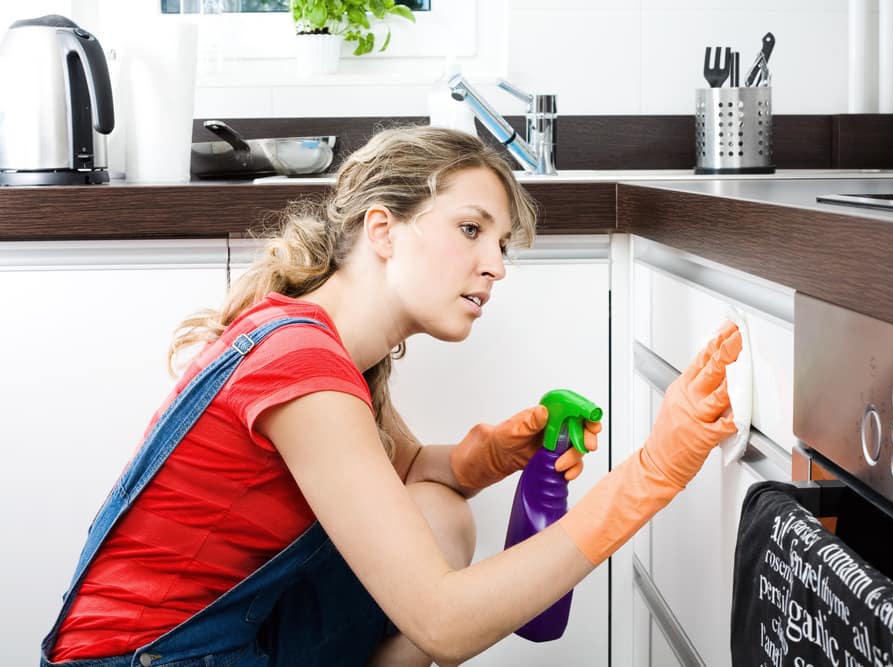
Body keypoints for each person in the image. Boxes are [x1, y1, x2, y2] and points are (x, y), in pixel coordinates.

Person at [41, 126, 741, 667]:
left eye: (501, 245)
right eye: (471, 229)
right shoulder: (301, 363)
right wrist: (652, 474)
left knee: (441, 514)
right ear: (382, 229)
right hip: (139, 657)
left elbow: (395, 479)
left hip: (212, 641)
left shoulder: (318, 338)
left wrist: (477, 461)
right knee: (436, 566)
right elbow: (443, 621)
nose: (495, 265)